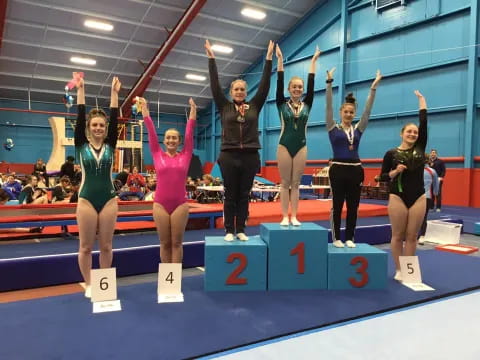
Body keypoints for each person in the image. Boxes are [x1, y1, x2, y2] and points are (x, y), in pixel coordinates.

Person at [205, 39, 274, 241]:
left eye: (242, 89)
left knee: (244, 194)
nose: (239, 92)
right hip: (228, 155)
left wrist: (268, 58)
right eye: (236, 89)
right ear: (231, 92)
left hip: (250, 155)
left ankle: (241, 229)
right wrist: (211, 58)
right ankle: (228, 230)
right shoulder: (224, 106)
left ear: (246, 92)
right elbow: (215, 84)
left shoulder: (254, 105)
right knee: (230, 193)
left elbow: (264, 86)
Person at [74, 73, 121, 298]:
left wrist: (114, 94)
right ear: (88, 128)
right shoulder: (80, 144)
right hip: (86, 200)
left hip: (109, 199)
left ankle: (104, 282)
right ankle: (90, 284)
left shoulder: (111, 144)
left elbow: (114, 117)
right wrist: (80, 89)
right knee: (85, 247)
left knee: (106, 246)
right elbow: (81, 113)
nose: (99, 128)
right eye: (95, 125)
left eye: (102, 125)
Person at [326, 68, 382, 248]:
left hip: (356, 169)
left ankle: (350, 237)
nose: (349, 114)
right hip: (338, 169)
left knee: (353, 206)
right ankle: (336, 238)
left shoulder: (358, 129)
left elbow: (368, 111)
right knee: (337, 205)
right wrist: (329, 83)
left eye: (351, 112)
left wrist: (373, 88)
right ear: (341, 112)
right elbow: (328, 106)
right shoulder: (332, 127)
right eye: (346, 112)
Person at [140, 97, 196, 263]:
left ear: (179, 141)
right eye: (168, 138)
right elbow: (150, 130)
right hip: (160, 204)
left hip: (180, 204)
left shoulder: (186, 154)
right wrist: (145, 110)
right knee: (164, 243)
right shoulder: (157, 153)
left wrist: (193, 111)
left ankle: (175, 280)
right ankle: (167, 281)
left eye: (174, 138)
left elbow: (189, 133)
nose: (171, 140)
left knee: (177, 243)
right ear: (164, 141)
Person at [380, 90, 428, 281]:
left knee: (412, 236)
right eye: (409, 131)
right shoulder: (391, 153)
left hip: (418, 196)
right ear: (402, 134)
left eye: (415, 132)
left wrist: (422, 101)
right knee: (398, 235)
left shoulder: (420, 148)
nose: (413, 134)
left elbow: (424, 124)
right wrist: (395, 171)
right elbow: (383, 176)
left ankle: (410, 271)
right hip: (397, 196)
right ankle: (400, 269)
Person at [275, 45, 320, 226]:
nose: (297, 89)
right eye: (294, 87)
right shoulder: (281, 103)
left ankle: (294, 216)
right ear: (289, 89)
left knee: (296, 182)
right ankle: (285, 215)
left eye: (300, 87)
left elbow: (311, 83)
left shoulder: (307, 104)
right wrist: (280, 60)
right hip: (284, 145)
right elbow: (278, 82)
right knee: (285, 182)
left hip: (301, 146)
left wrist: (314, 61)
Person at [418, 163, 439, 244]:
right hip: (426, 197)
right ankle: (422, 236)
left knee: (418, 216)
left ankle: (420, 235)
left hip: (419, 196)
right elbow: (436, 184)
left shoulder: (431, 171)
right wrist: (435, 193)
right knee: (423, 216)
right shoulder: (432, 171)